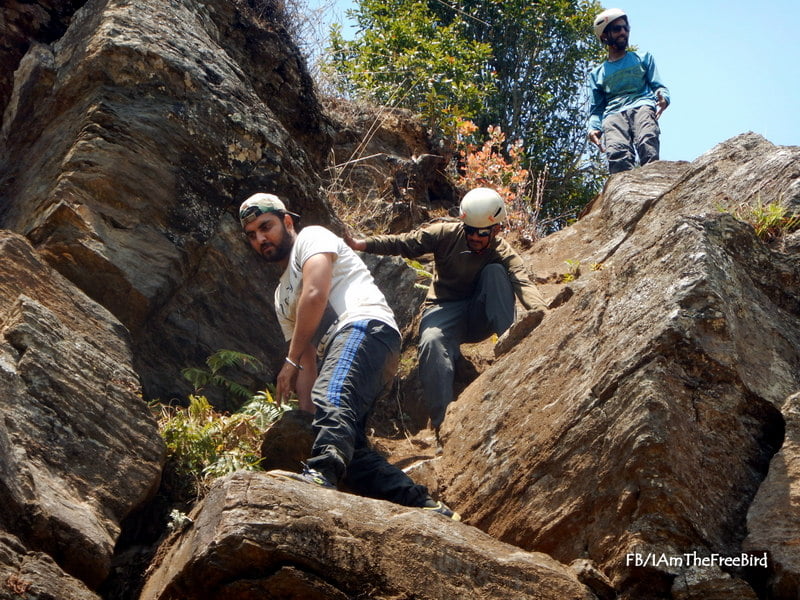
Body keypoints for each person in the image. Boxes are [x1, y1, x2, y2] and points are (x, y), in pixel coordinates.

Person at [239, 192, 459, 520]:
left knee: (334, 396)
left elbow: (315, 294)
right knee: (351, 454)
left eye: (266, 227)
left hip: (365, 328)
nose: (260, 238)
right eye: (252, 235)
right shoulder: (280, 296)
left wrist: (289, 362)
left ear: (287, 221)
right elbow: (307, 360)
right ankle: (423, 505)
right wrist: (310, 418)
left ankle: (321, 475)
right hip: (349, 355)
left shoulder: (311, 237)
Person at [345, 188, 547, 437]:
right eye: (469, 230)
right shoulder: (445, 234)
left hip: (479, 315)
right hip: (443, 308)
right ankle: (442, 424)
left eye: (480, 233)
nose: (473, 237)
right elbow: (404, 243)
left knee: (496, 273)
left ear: (495, 230)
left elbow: (522, 280)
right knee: (431, 341)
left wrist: (542, 313)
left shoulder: (502, 251)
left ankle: (510, 349)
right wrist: (361, 244)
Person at [587, 7, 670, 174]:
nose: (623, 32)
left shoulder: (643, 58)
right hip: (613, 115)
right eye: (617, 29)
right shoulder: (597, 74)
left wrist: (664, 97)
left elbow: (658, 86)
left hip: (642, 106)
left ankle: (654, 185)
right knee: (618, 155)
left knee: (647, 142)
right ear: (604, 35)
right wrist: (593, 128)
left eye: (626, 28)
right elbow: (596, 109)